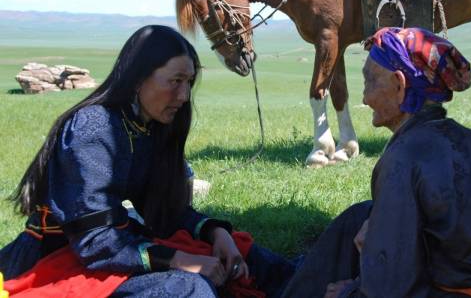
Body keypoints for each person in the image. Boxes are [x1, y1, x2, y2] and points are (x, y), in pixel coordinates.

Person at [0, 25, 295, 297]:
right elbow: (93, 241)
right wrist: (179, 260)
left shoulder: (147, 126)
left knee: (245, 253)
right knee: (189, 288)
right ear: (138, 78)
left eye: (189, 81)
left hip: (111, 248)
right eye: (175, 81)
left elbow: (164, 212)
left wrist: (216, 233)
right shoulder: (93, 128)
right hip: (60, 260)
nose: (183, 95)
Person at [282, 27, 471, 298]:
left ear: (400, 85)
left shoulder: (403, 157)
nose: (365, 98)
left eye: (369, 82)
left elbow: (390, 288)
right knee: (358, 217)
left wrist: (348, 293)